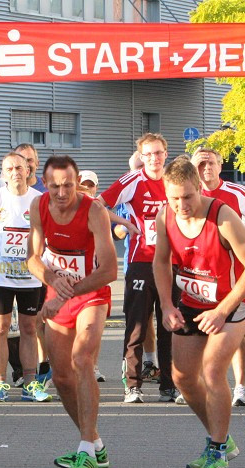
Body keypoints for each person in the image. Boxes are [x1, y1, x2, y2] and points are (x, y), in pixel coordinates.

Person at [153, 158, 245, 468]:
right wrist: (165, 304)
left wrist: (223, 309)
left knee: (213, 370)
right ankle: (222, 437)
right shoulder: (164, 217)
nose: (181, 205)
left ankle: (216, 452)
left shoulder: (222, 217)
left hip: (231, 303)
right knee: (182, 378)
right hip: (191, 301)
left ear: (199, 188)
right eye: (174, 198)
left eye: (187, 197)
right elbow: (161, 262)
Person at [28, 155, 117, 468]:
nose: (62, 193)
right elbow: (33, 258)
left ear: (77, 182)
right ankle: (94, 443)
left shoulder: (93, 210)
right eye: (55, 186)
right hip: (60, 292)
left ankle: (85, 449)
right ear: (45, 184)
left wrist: (67, 291)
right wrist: (52, 281)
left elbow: (108, 270)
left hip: (91, 292)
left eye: (68, 185)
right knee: (62, 376)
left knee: (82, 360)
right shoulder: (39, 206)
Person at [99, 133, 177, 404]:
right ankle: (132, 385)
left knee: (171, 325)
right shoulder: (132, 181)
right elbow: (99, 204)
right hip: (141, 262)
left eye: (158, 153)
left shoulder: (174, 180)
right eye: (148, 154)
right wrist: (126, 222)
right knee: (137, 325)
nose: (154, 159)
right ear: (141, 157)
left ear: (166, 154)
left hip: (172, 263)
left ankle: (169, 385)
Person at [0, 151, 47, 403]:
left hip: (30, 277)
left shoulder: (39, 200)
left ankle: (30, 383)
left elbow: (46, 237)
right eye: (10, 169)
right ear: (3, 174)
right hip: (0, 277)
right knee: (0, 327)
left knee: (29, 327)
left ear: (28, 170)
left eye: (19, 167)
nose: (15, 172)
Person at [192, 146, 245, 407]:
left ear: (220, 166)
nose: (206, 168)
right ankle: (198, 384)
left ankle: (240, 386)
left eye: (211, 163)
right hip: (196, 276)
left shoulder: (237, 193)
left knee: (237, 332)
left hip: (233, 276)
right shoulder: (186, 194)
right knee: (197, 331)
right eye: (200, 164)